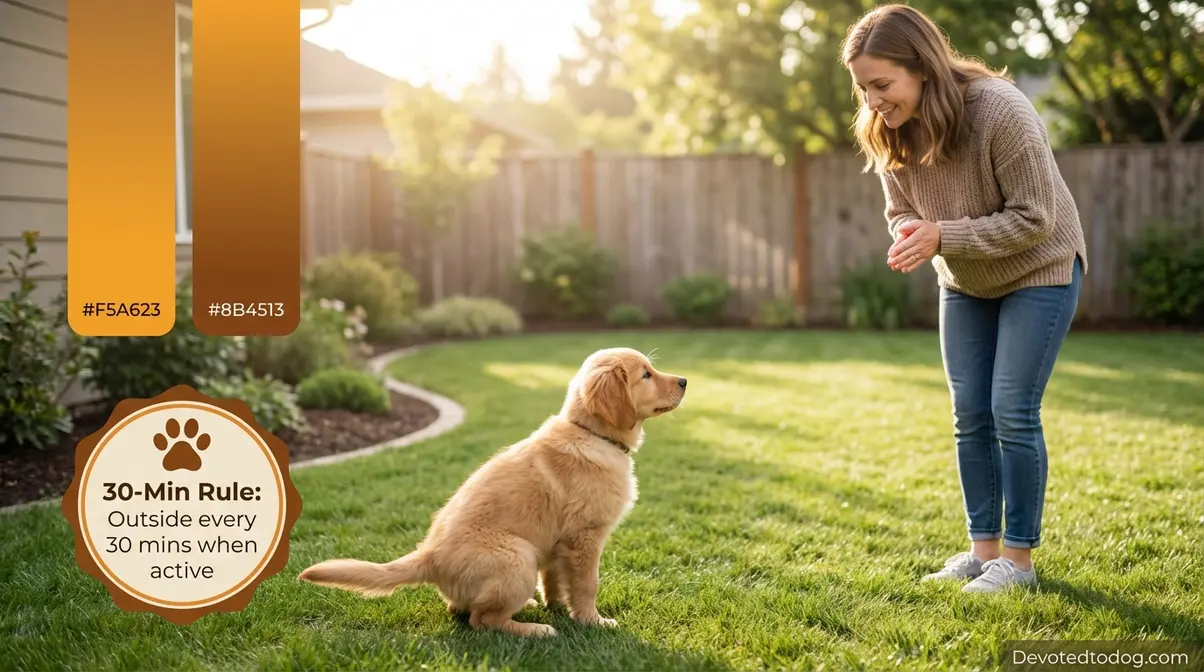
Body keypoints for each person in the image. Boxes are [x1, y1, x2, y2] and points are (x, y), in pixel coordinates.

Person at [841, 4, 1088, 593]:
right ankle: (983, 552)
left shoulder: (1002, 110)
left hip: (1040, 265)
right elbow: (901, 207)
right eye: (861, 88)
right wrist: (909, 231)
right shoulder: (886, 127)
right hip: (965, 279)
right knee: (969, 414)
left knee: (1011, 409)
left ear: (922, 67)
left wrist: (943, 235)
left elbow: (1035, 218)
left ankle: (1019, 563)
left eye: (882, 85)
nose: (872, 100)